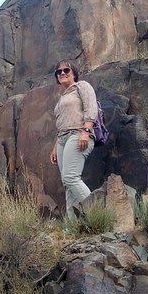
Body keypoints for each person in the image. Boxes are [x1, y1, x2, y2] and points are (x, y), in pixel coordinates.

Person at [49, 60, 98, 223]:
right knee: (67, 183)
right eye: (59, 71)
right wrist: (56, 146)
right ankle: (72, 226)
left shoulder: (81, 86)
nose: (62, 73)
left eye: (66, 70)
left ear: (74, 73)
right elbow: (62, 123)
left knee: (71, 177)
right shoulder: (62, 97)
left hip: (78, 134)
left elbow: (91, 108)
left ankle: (97, 214)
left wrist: (86, 131)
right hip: (62, 139)